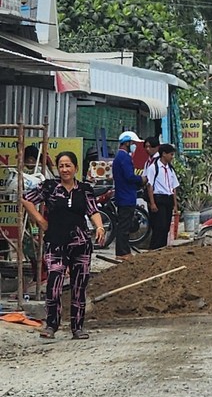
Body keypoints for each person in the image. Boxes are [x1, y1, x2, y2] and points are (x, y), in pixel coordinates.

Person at [21, 151, 105, 339]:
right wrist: (41, 221)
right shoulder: (49, 187)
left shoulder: (84, 189)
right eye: (61, 166)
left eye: (68, 166)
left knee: (79, 286)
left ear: (75, 167)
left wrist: (99, 227)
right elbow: (26, 199)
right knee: (54, 285)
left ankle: (77, 327)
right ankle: (51, 325)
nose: (65, 169)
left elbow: (93, 210)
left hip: (81, 244)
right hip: (56, 242)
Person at [112, 131, 146, 261]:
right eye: (133, 143)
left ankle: (123, 251)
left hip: (123, 195)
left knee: (124, 225)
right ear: (127, 143)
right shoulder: (125, 158)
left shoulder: (119, 157)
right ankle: (122, 252)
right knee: (124, 226)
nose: (134, 146)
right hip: (126, 196)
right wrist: (141, 179)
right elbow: (129, 176)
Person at [145, 143, 180, 250]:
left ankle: (162, 248)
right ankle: (154, 248)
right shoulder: (153, 168)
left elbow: (173, 188)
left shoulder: (170, 169)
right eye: (171, 154)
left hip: (168, 199)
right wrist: (152, 203)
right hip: (158, 198)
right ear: (164, 154)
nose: (172, 157)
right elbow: (149, 186)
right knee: (159, 226)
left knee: (166, 227)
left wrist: (175, 205)